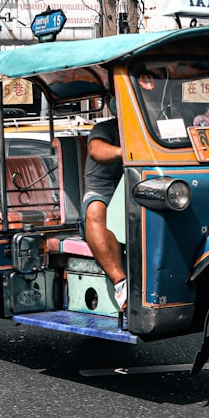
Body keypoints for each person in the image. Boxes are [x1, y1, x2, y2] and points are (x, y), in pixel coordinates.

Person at [81, 108, 126, 310]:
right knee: (95, 210)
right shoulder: (105, 128)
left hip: (130, 191)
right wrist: (120, 151)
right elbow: (96, 149)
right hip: (103, 191)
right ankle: (120, 283)